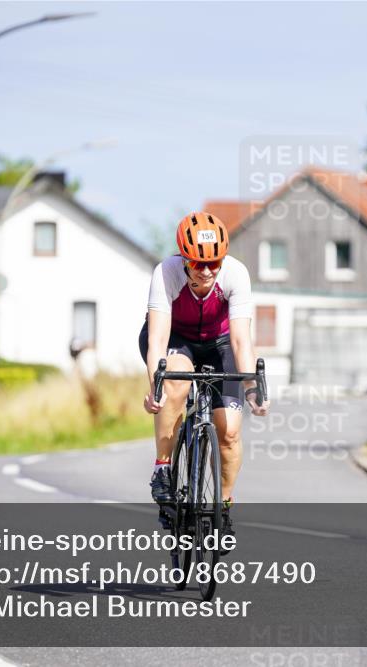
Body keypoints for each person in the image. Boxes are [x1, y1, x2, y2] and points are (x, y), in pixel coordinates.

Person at [139, 212, 269, 541]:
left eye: (215, 262)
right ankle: (163, 468)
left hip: (221, 343)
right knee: (176, 384)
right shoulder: (166, 273)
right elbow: (156, 339)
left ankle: (222, 506)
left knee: (229, 431)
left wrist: (252, 387)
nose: (208, 271)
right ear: (184, 259)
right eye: (199, 263)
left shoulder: (236, 274)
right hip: (175, 339)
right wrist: (156, 387)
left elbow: (241, 340)